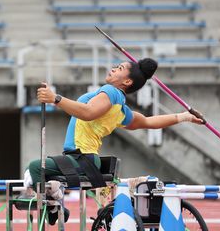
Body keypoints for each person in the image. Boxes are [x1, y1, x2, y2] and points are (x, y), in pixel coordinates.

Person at [24, 58, 203, 225]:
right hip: (83, 159)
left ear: (127, 82)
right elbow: (149, 122)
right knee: (38, 175)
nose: (113, 69)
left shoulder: (111, 92)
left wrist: (55, 98)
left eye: (120, 69)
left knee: (34, 167)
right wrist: (183, 117)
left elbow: (87, 112)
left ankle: (56, 207)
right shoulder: (121, 110)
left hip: (81, 158)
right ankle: (55, 201)